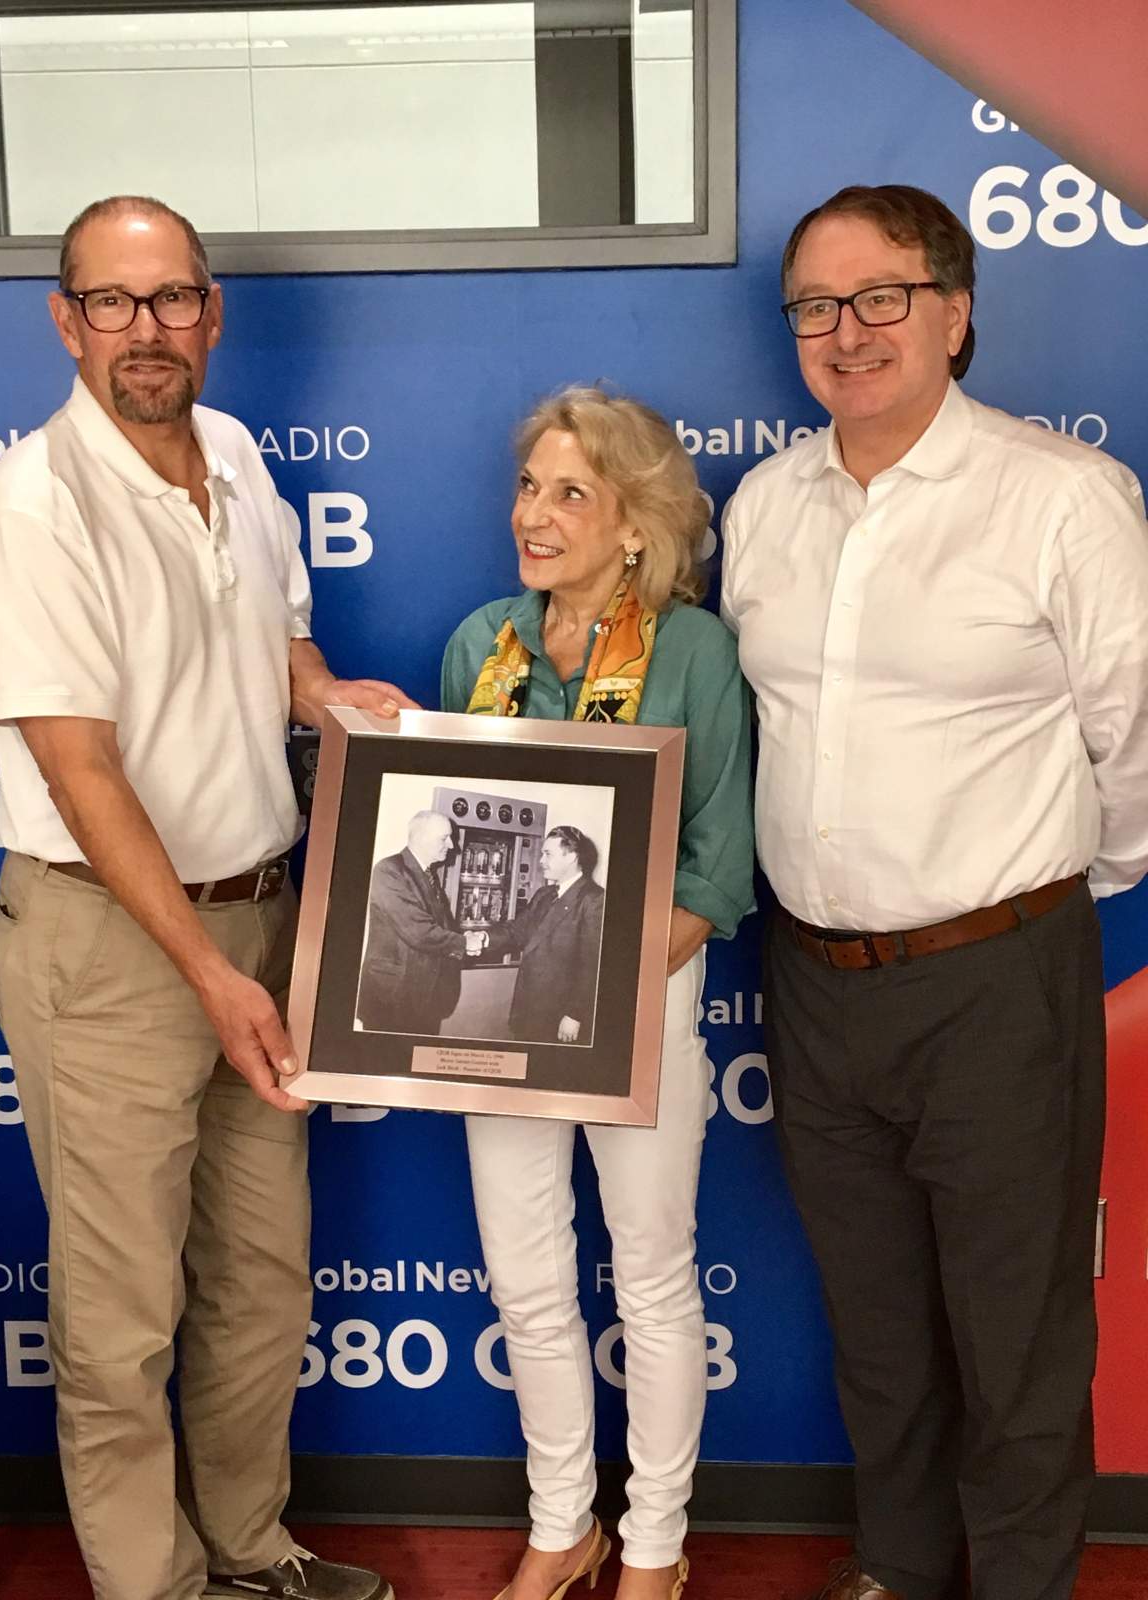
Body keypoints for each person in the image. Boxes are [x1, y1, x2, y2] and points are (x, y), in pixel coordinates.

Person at [0, 195, 414, 1600]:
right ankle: (155, 1585)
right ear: (66, 318)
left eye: (172, 300)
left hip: (259, 921)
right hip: (113, 948)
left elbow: (277, 632)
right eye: (114, 301)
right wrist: (212, 980)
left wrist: (329, 698)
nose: (146, 331)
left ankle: (251, 1550)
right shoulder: (39, 504)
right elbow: (83, 774)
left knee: (262, 1281)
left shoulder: (229, 450)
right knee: (119, 1318)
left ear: (211, 312)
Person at [720, 184, 1148, 1600]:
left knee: (1018, 1331)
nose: (848, 332)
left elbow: (1133, 742)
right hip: (813, 982)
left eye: (881, 296)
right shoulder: (767, 505)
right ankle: (898, 1570)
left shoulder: (1060, 497)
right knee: (879, 1326)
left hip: (998, 982)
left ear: (955, 312)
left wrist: (1029, 899)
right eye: (816, 307)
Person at [441, 387, 755, 1600]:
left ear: (636, 525)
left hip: (641, 1003)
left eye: (572, 492)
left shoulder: (694, 652)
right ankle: (561, 1523)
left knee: (651, 1274)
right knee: (524, 1275)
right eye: (530, 486)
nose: (537, 512)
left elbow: (719, 861)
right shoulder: (483, 647)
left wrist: (600, 991)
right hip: (494, 1012)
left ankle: (657, 1549)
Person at [479, 824, 605, 1044]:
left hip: (559, 1016)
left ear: (572, 856)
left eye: (548, 854)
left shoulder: (594, 900)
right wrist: (483, 938)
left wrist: (575, 1014)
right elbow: (516, 931)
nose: (541, 861)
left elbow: (593, 964)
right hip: (529, 1008)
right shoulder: (544, 894)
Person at [357, 809, 477, 1034]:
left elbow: (442, 926)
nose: (451, 845)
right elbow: (418, 931)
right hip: (393, 999)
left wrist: (468, 940)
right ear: (421, 837)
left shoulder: (428, 875)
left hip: (426, 997)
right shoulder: (389, 870)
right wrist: (464, 943)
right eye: (444, 838)